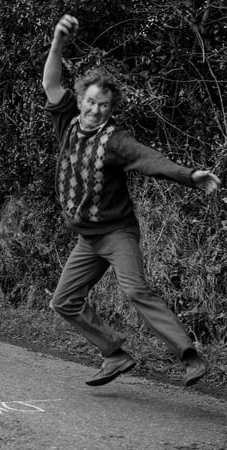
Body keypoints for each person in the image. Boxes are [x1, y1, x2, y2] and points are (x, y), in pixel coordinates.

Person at [42, 15, 221, 388]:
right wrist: (58, 40)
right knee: (64, 301)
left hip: (117, 233)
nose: (95, 110)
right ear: (80, 100)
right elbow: (50, 81)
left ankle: (189, 356)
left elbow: (152, 160)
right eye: (90, 102)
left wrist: (190, 175)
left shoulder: (116, 141)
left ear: (111, 108)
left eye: (104, 105)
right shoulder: (67, 124)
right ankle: (115, 354)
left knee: (135, 288)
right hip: (87, 239)